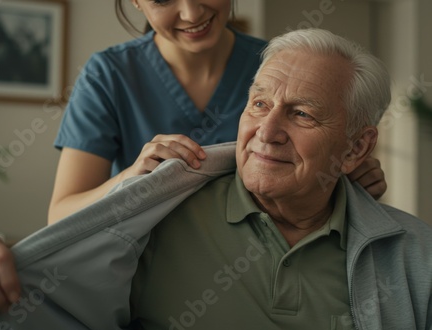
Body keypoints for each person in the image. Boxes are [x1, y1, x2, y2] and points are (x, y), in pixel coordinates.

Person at [0, 29, 431, 330]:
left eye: (301, 113)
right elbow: (38, 294)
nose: (267, 132)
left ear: (358, 148)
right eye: (257, 104)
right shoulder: (159, 220)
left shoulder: (412, 257)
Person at [47, 0, 387, 225]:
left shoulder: (276, 70)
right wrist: (131, 179)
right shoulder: (109, 75)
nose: (192, 14)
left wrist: (345, 174)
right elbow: (61, 216)